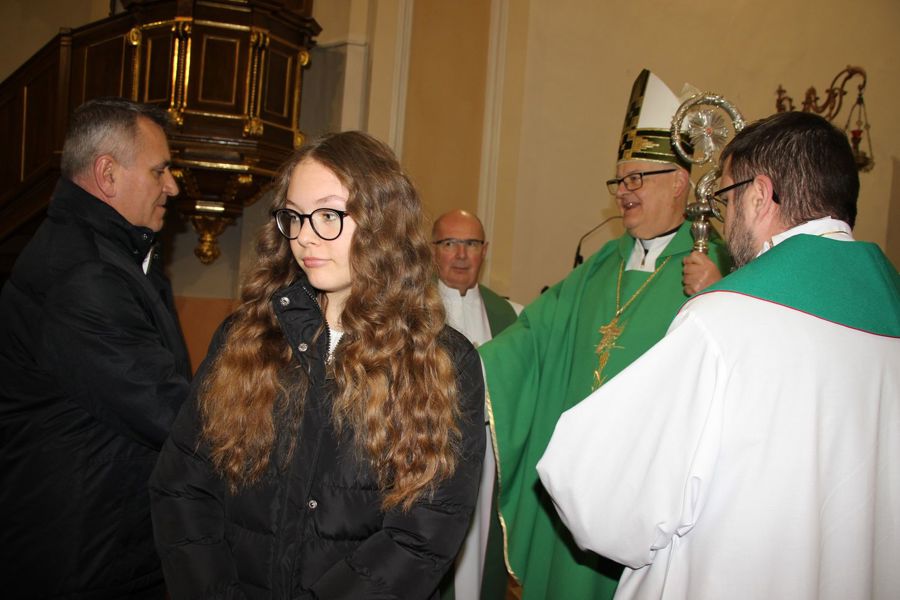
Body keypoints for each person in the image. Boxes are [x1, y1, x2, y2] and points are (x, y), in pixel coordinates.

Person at [537, 110, 900, 599]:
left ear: (759, 195)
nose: (724, 222)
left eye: (726, 199)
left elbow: (602, 501)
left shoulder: (726, 318)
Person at [149, 131, 486, 599]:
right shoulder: (246, 338)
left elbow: (421, 537)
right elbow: (182, 487)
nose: (305, 236)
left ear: (383, 222)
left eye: (328, 215)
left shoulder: (442, 361)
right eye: (294, 216)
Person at [477, 69, 730, 599]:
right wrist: (461, 363)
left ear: (679, 181)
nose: (624, 194)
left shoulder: (716, 264)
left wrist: (721, 296)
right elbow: (532, 339)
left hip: (646, 493)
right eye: (620, 181)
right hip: (576, 484)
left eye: (637, 179)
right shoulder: (600, 264)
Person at [0, 97, 190, 598]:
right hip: (83, 555)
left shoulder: (110, 256)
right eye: (160, 170)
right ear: (108, 174)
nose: (172, 186)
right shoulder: (85, 275)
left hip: (101, 540)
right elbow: (169, 412)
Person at [431, 209, 522, 600]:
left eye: (471, 244)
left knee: (483, 549)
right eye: (450, 243)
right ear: (432, 250)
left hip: (489, 455)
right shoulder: (410, 310)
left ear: (484, 251)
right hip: (432, 454)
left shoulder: (511, 315)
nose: (461, 254)